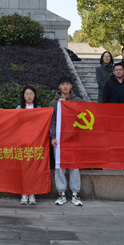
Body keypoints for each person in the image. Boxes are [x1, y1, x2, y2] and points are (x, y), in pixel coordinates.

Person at [49, 76, 83, 206]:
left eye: (68, 84)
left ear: (71, 86)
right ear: (59, 86)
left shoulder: (77, 101)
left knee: (74, 166)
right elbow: (52, 122)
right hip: (59, 139)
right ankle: (61, 193)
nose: (65, 86)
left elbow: (83, 118)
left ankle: (75, 194)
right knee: (59, 166)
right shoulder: (54, 103)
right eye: (63, 84)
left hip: (74, 138)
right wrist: (53, 137)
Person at [16, 86, 40, 205]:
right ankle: (24, 193)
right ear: (23, 96)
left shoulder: (39, 109)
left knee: (34, 169)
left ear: (35, 95)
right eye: (27, 94)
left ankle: (32, 193)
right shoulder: (19, 108)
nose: (29, 96)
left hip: (35, 143)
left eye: (31, 94)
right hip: (22, 143)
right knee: (23, 169)